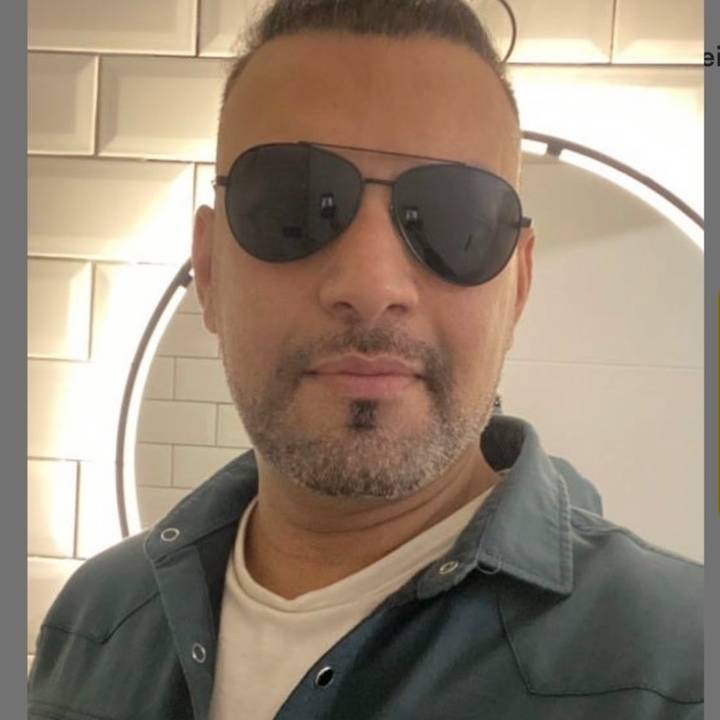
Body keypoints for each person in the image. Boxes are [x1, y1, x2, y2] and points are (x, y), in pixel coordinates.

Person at [28, 1, 703, 719]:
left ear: (519, 287)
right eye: (294, 207)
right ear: (209, 268)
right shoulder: (95, 621)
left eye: (455, 219)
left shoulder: (683, 670)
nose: (372, 286)